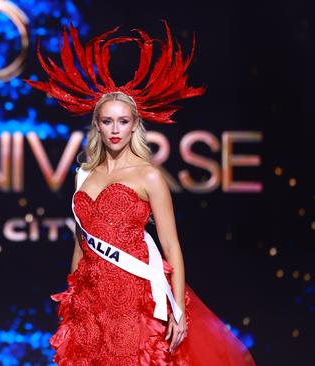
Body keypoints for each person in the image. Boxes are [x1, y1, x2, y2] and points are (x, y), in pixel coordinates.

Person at [23, 20, 257, 365]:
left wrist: (177, 310)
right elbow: (80, 243)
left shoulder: (149, 175)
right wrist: (72, 300)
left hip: (134, 297)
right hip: (89, 301)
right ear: (97, 126)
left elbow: (171, 245)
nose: (115, 129)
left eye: (122, 121)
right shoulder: (85, 175)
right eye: (107, 121)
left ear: (135, 124)